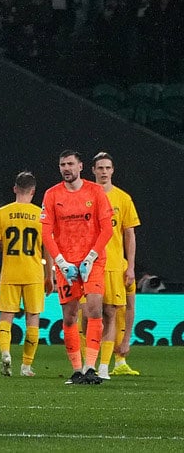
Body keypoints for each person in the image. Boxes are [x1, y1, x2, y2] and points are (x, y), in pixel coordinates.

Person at [39, 150, 114, 385]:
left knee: (94, 309)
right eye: (62, 164)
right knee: (70, 316)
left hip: (93, 261)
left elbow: (107, 229)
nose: (66, 168)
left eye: (70, 164)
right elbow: (46, 233)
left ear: (80, 166)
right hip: (66, 263)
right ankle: (77, 369)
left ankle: (91, 366)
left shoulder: (95, 192)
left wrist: (91, 257)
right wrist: (61, 262)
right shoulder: (52, 194)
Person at [0, 172, 49, 378]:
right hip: (33, 273)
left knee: (5, 317)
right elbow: (47, 248)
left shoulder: (2, 213)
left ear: (15, 189)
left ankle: (5, 353)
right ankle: (26, 366)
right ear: (33, 191)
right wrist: (49, 276)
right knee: (33, 318)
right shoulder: (41, 214)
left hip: (10, 273)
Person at [90, 153, 141, 379]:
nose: (104, 171)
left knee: (112, 312)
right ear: (93, 170)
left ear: (112, 170)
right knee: (87, 314)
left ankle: (107, 365)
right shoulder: (86, 195)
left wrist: (130, 266)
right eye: (100, 168)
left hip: (114, 265)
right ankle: (87, 364)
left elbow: (129, 234)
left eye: (107, 168)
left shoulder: (123, 198)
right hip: (89, 265)